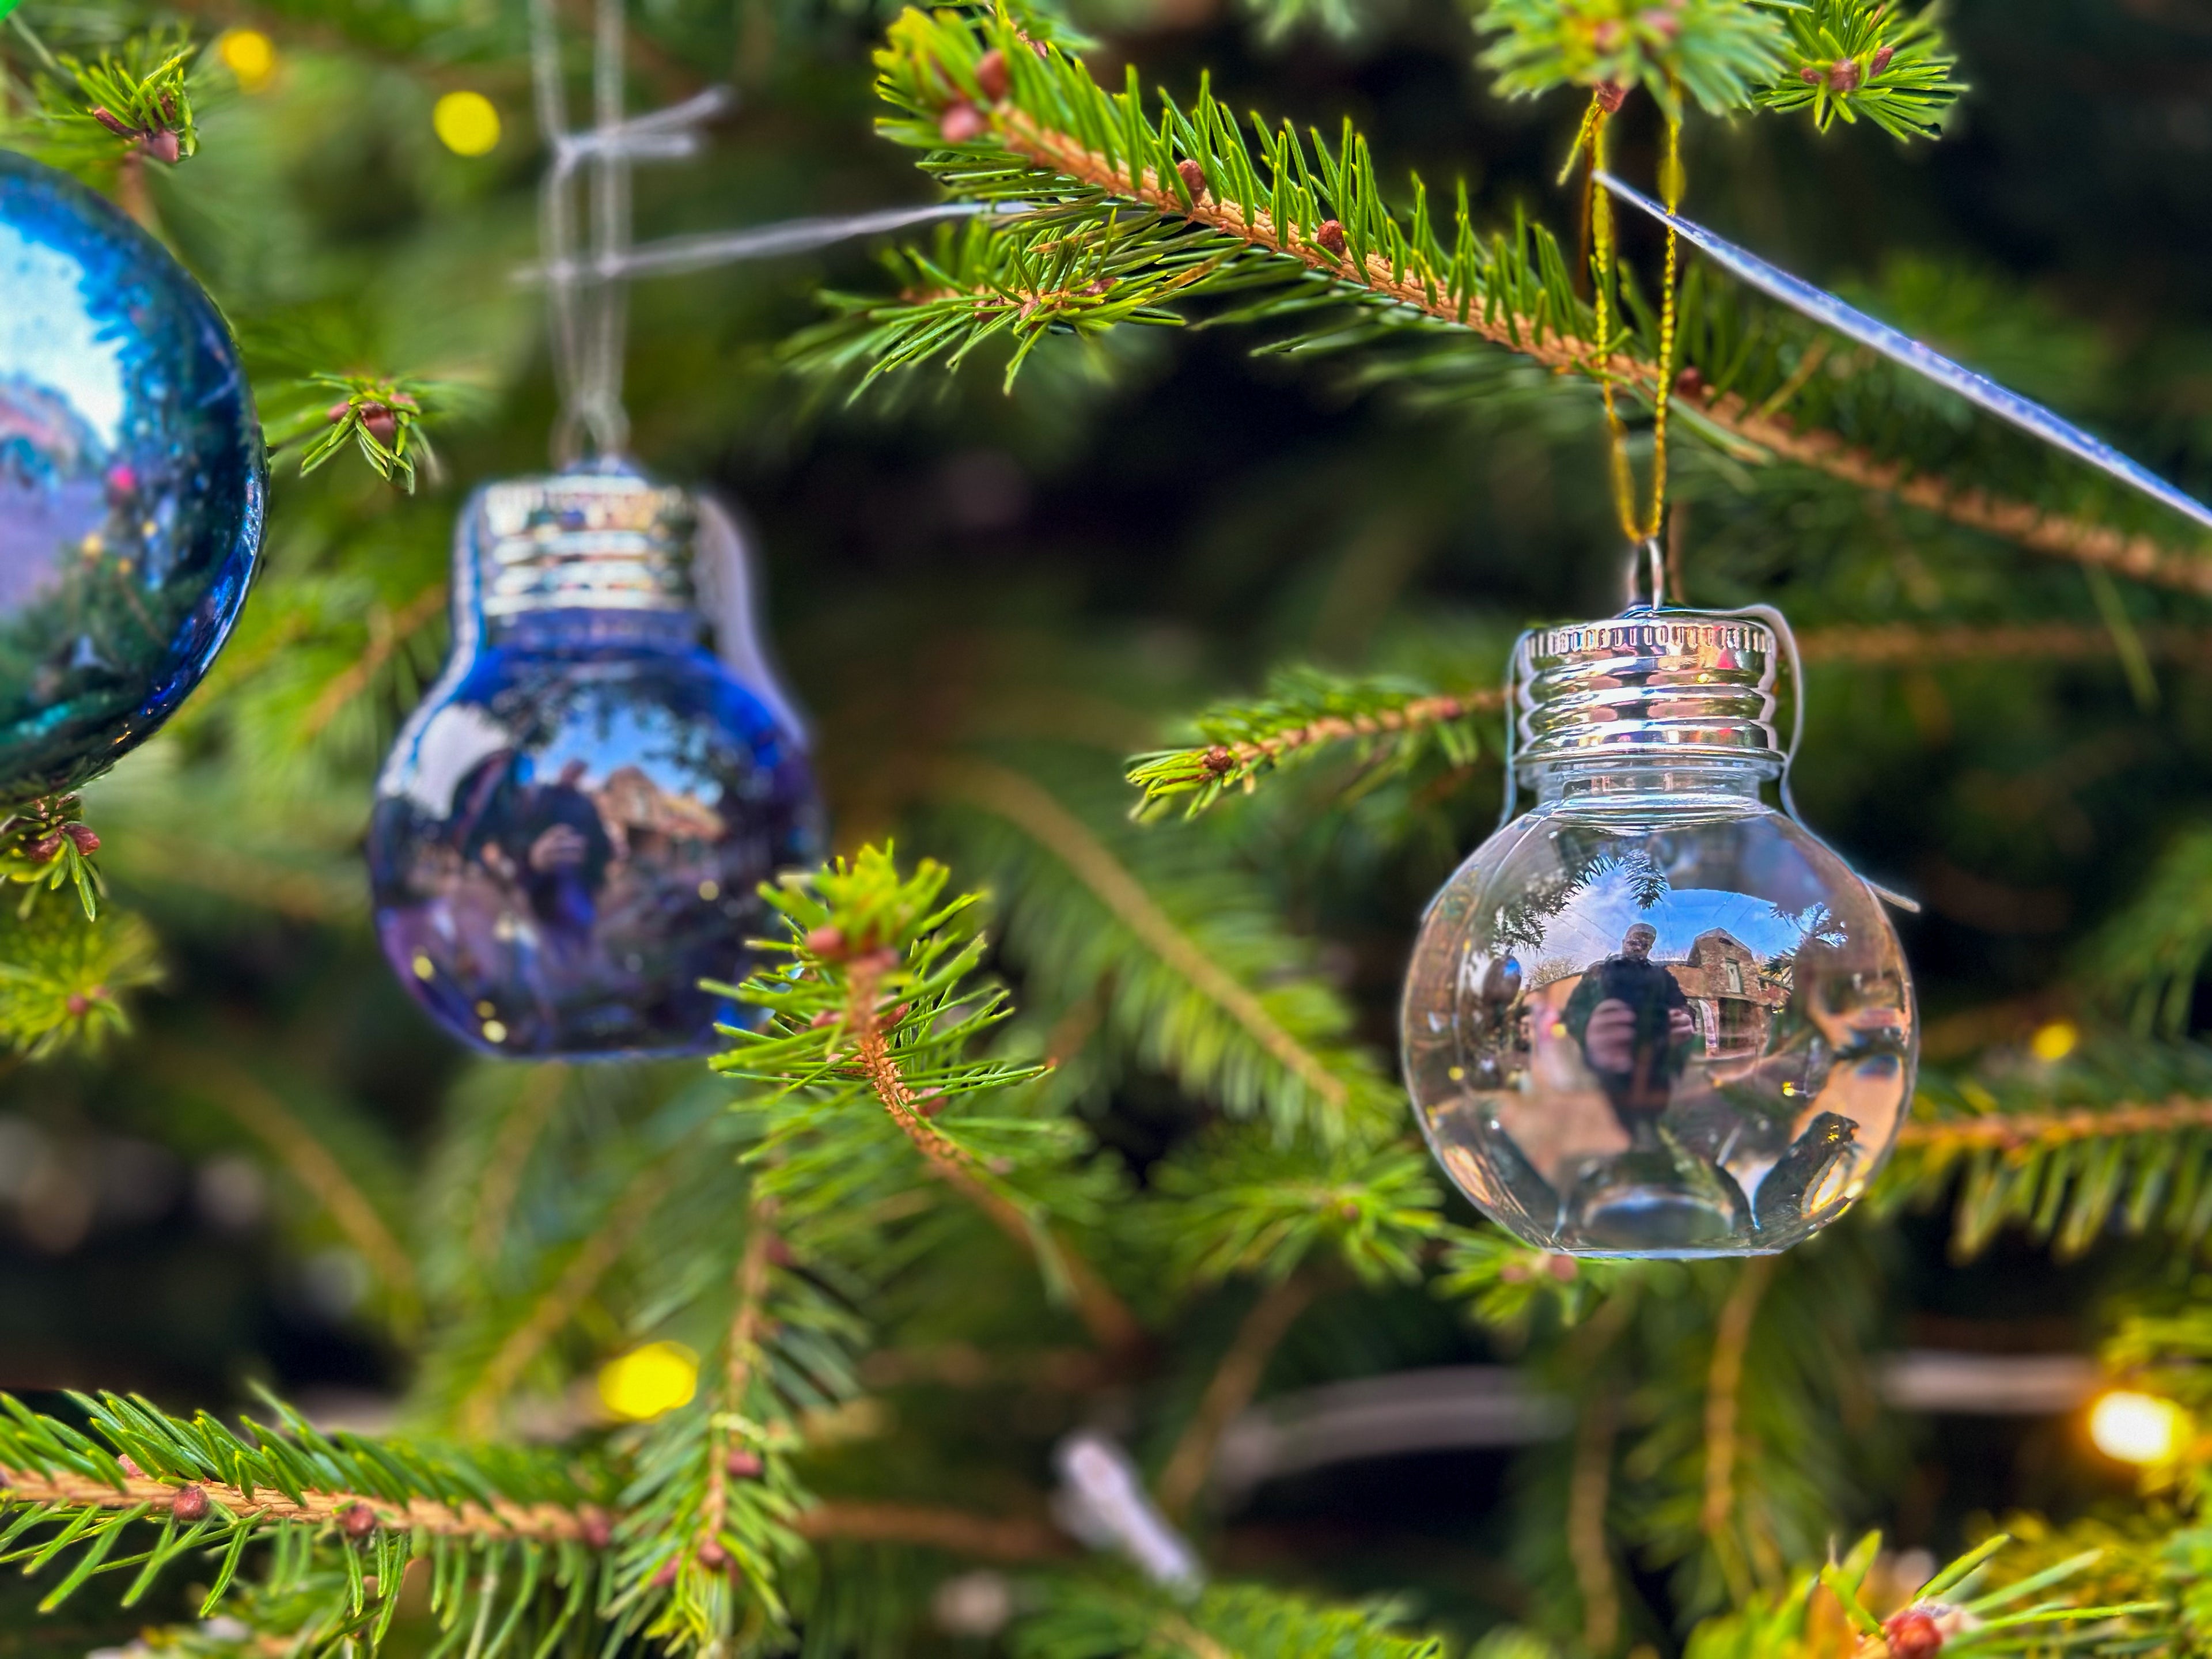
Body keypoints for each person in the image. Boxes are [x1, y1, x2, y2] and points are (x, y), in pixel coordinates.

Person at [1561, 922, 1696, 1134]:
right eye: (1634, 942)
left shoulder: (1662, 977)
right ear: (1624, 942)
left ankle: (1646, 1132)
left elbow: (1682, 1007)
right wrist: (1590, 1030)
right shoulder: (1600, 971)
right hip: (1604, 1063)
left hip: (1651, 1062)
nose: (1638, 947)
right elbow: (1575, 1011)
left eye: (1645, 945)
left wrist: (1684, 1020)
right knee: (1603, 1117)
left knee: (1646, 1118)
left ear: (1650, 949)